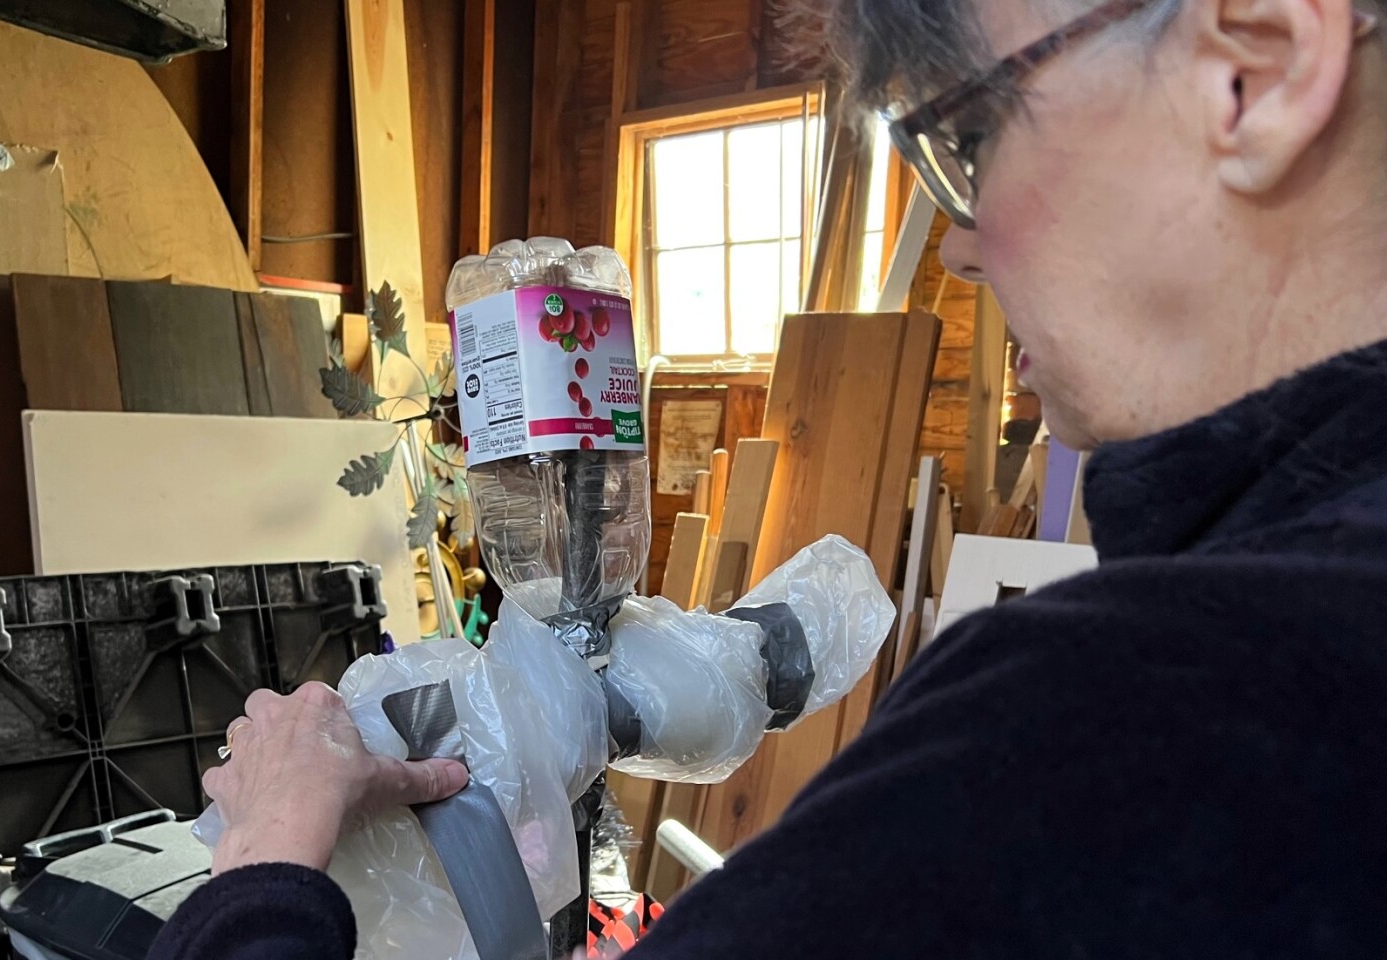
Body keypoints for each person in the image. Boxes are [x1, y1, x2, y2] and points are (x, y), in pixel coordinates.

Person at [148, 0, 1387, 957]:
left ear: (1258, 64)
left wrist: (263, 867)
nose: (956, 238)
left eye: (968, 135)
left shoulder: (1138, 714)